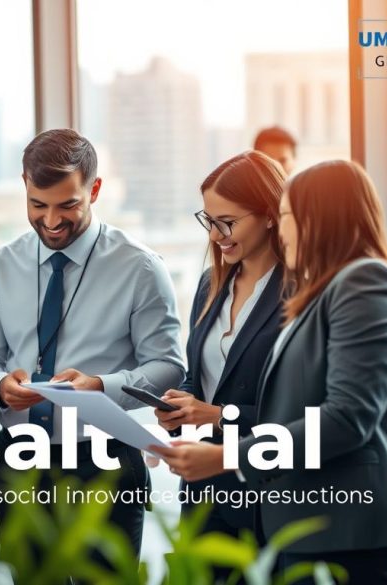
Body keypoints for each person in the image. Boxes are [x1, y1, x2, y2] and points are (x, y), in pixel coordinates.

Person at [155, 160, 387, 585]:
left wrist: (227, 453)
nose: (282, 230)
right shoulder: (326, 289)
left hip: (345, 527)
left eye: (285, 217)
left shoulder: (365, 283)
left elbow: (345, 418)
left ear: (319, 217)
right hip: (305, 519)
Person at [0, 128, 185, 564]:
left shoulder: (140, 267)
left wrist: (102, 387)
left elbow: (168, 365)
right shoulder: (0, 265)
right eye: (37, 205)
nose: (51, 221)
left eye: (67, 205)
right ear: (24, 187)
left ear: (95, 189)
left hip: (104, 460)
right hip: (17, 458)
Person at [152, 151, 286, 580]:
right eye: (208, 220)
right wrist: (180, 407)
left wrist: (217, 415)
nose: (215, 234)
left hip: (268, 496)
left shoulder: (301, 293)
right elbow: (201, 377)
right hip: (204, 497)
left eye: (228, 221)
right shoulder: (212, 283)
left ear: (269, 215)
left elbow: (301, 413)